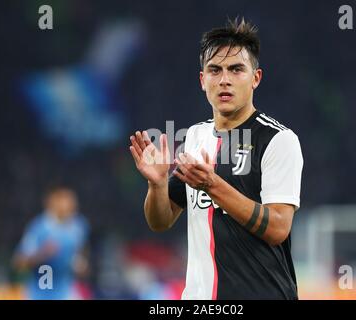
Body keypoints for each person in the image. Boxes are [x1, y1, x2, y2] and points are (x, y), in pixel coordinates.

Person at [129, 18, 303, 299]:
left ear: (255, 78)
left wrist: (212, 185)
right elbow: (160, 221)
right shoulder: (196, 136)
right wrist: (157, 185)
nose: (224, 79)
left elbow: (278, 228)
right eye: (215, 70)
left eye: (236, 69)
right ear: (202, 80)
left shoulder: (278, 140)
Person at [13, 187, 89, 300]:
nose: (70, 204)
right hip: (38, 294)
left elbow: (82, 259)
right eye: (64, 200)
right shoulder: (38, 227)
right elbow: (19, 263)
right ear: (53, 202)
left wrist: (80, 266)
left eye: (72, 201)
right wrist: (42, 254)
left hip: (65, 293)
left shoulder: (79, 226)